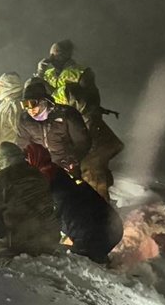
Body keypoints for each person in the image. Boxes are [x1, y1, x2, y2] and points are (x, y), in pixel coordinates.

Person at [36, 40, 123, 200]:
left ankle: (101, 205)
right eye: (51, 53)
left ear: (67, 53)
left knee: (90, 165)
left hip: (80, 122)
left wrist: (86, 124)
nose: (52, 57)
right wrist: (39, 74)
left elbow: (91, 102)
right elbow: (35, 91)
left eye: (57, 53)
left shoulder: (81, 72)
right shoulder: (48, 73)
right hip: (59, 125)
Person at [25, 143, 121, 264]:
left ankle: (96, 258)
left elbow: (49, 219)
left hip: (93, 237)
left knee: (76, 263)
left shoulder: (46, 182)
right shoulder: (59, 173)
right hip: (114, 228)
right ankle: (99, 256)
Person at [0, 141, 60, 261]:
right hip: (50, 237)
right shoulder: (38, 173)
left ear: (2, 161)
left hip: (21, 241)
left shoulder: (1, 178)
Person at [15, 77, 90, 179]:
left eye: (32, 103)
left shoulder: (67, 115)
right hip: (42, 166)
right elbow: (23, 147)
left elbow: (82, 142)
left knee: (89, 178)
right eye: (24, 105)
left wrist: (72, 160)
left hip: (67, 163)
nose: (30, 109)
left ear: (43, 101)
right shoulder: (25, 120)